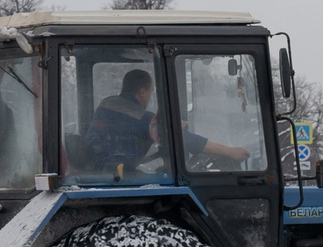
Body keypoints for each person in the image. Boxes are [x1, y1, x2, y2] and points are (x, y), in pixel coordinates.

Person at [87, 68, 249, 174]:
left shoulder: (108, 104)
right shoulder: (141, 117)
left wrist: (170, 125)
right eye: (151, 92)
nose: (150, 97)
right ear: (142, 92)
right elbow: (187, 141)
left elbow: (136, 126)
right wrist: (229, 151)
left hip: (99, 168)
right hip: (113, 174)